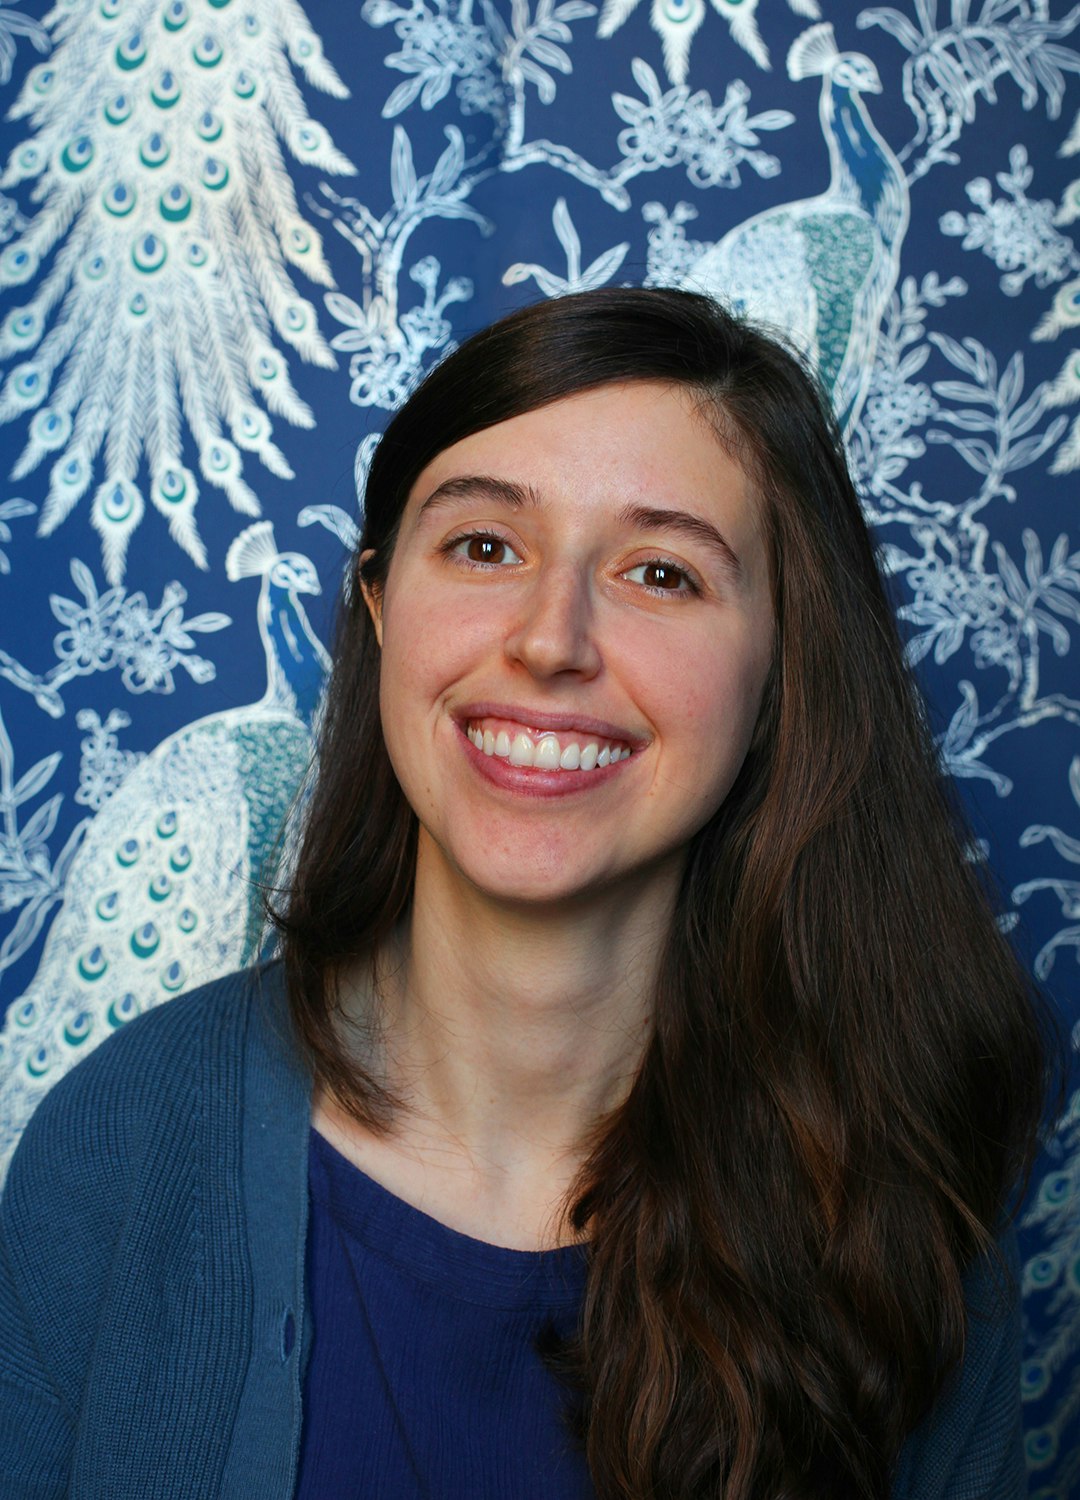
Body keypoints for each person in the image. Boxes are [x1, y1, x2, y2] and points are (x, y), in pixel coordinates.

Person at [0, 288, 1057, 1499]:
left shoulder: (901, 1236)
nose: (552, 640)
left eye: (661, 572)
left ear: (780, 669)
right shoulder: (120, 1142)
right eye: (485, 546)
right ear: (379, 605)